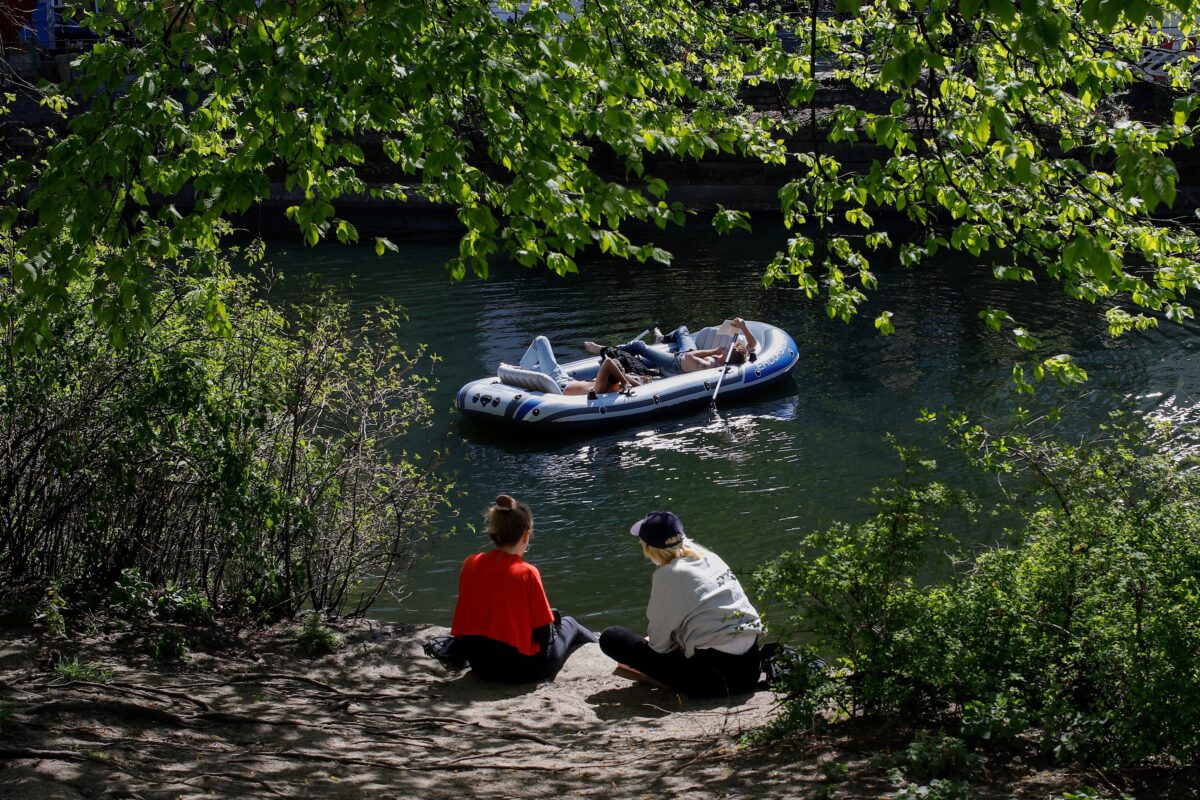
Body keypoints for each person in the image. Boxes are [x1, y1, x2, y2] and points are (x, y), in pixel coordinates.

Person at [598, 511, 765, 698]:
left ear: (649, 548)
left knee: (612, 637)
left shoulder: (669, 574)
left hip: (717, 682)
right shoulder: (711, 558)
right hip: (751, 668)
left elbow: (659, 646)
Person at [447, 494, 598, 683]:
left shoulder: (471, 563)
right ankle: (601, 650)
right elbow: (544, 636)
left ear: (494, 533)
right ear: (525, 536)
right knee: (571, 624)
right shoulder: (526, 572)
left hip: (481, 666)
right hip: (525, 670)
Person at [585, 318, 757, 377]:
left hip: (675, 362)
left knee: (639, 346)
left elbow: (687, 358)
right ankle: (661, 338)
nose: (726, 347)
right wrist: (743, 327)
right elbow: (752, 345)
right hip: (684, 355)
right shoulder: (728, 357)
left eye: (727, 349)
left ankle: (603, 349)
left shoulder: (712, 364)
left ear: (728, 356)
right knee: (682, 330)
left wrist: (713, 351)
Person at [520, 335, 650, 396]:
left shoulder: (601, 388)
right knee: (546, 365)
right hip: (566, 379)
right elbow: (620, 373)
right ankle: (520, 368)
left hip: (559, 382)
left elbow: (608, 362)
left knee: (541, 340)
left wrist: (624, 382)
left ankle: (522, 368)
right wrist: (630, 382)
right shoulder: (611, 386)